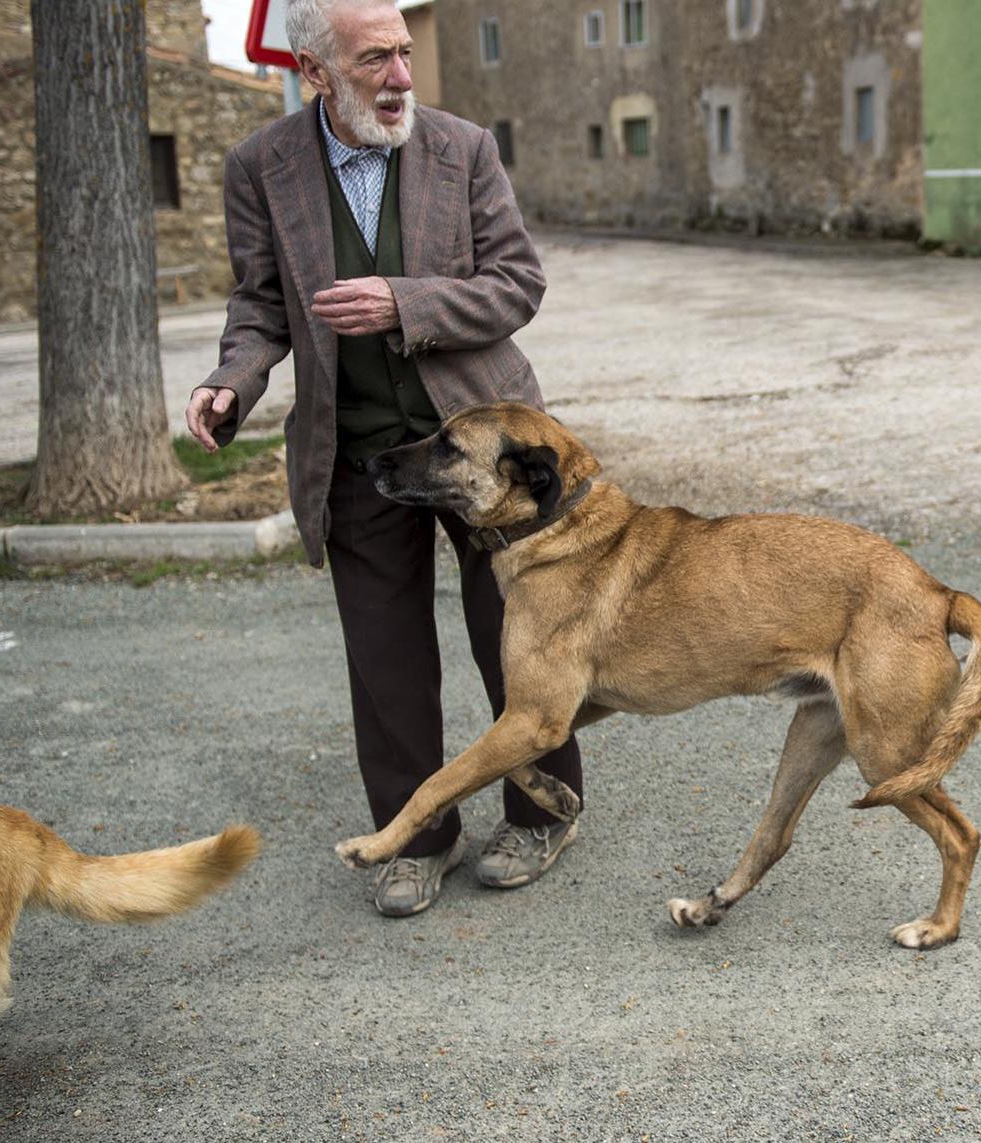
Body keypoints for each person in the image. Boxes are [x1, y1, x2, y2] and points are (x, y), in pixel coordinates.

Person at [185, 0, 582, 917]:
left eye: (404, 53)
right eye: (376, 61)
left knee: (517, 639)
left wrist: (407, 303)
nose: (403, 76)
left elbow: (517, 283)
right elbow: (259, 307)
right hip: (363, 454)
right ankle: (418, 837)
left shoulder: (464, 148)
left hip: (485, 452)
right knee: (387, 658)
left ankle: (542, 809)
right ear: (317, 72)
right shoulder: (259, 168)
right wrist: (230, 381)